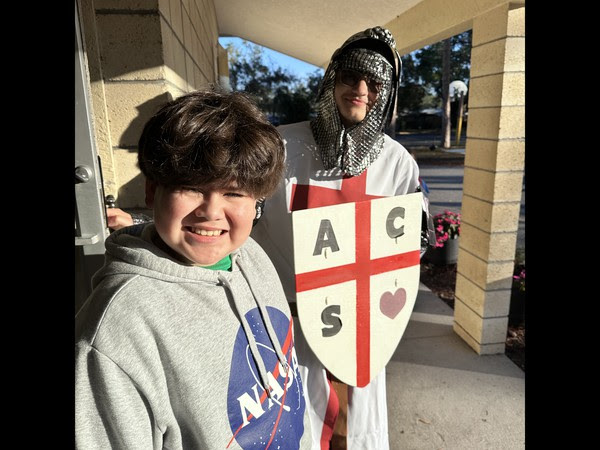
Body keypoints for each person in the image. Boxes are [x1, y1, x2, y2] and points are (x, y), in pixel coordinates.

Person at [75, 89, 313, 449]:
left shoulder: (252, 255)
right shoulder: (116, 329)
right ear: (152, 190)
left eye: (234, 192)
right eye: (190, 187)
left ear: (257, 200)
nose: (211, 212)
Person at [250, 27, 431, 450]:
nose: (361, 89)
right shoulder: (280, 146)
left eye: (374, 82)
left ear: (387, 92)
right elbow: (235, 212)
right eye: (351, 76)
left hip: (359, 330)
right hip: (286, 326)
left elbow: (412, 241)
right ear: (333, 79)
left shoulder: (397, 162)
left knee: (350, 433)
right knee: (291, 430)